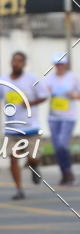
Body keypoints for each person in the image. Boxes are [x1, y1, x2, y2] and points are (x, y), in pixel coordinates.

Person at [0, 51, 47, 199]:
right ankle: (19, 189)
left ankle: (34, 166)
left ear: (24, 64)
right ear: (11, 62)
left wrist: (30, 103)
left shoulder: (31, 79)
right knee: (13, 158)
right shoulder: (2, 80)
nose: (16, 63)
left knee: (33, 157)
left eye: (19, 61)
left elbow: (43, 96)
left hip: (31, 128)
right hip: (12, 129)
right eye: (14, 60)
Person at [44, 52, 80, 185]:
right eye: (56, 64)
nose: (59, 67)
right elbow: (43, 93)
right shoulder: (50, 79)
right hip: (53, 118)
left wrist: (73, 95)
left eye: (61, 64)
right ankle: (65, 172)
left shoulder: (73, 78)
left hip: (68, 118)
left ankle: (68, 171)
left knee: (62, 145)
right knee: (56, 147)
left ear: (65, 65)